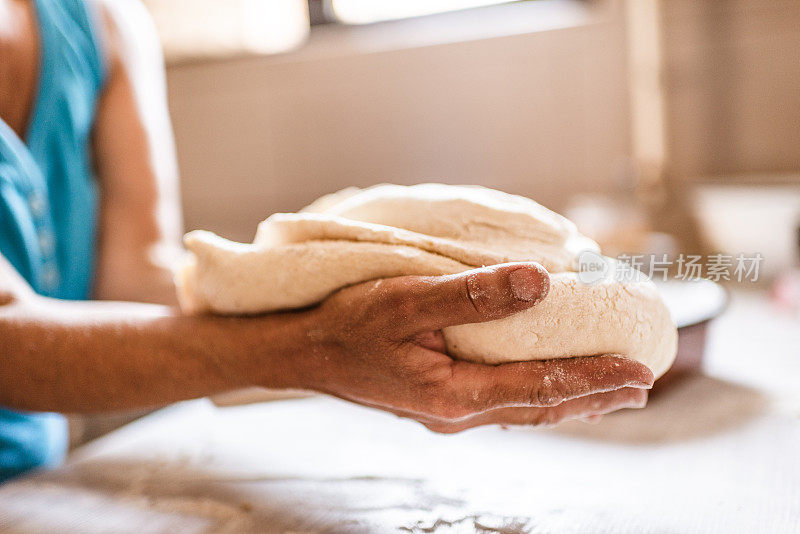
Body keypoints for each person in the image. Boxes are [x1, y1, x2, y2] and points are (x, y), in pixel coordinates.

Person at [0, 0, 654, 482]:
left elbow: (136, 284)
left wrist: (368, 278)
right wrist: (306, 348)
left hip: (36, 479)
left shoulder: (103, 23)